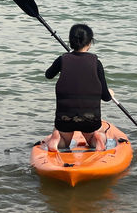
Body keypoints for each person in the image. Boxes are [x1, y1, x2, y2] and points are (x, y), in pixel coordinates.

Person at [42, 23, 113, 152]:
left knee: (64, 142)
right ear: (90, 42)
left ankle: (58, 138)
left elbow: (48, 75)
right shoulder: (96, 62)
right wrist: (111, 93)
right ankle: (97, 138)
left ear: (71, 42)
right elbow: (106, 97)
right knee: (93, 138)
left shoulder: (62, 59)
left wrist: (63, 61)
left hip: (65, 118)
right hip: (90, 119)